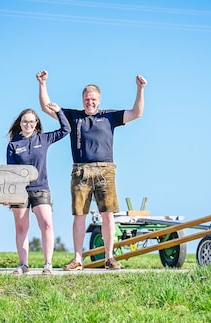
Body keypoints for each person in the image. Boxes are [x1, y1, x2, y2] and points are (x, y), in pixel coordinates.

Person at [36, 70, 147, 270]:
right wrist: (43, 84)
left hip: (106, 171)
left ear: (99, 100)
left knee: (108, 214)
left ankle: (109, 258)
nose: (90, 103)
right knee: (80, 215)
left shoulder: (110, 116)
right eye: (87, 99)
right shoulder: (73, 116)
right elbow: (46, 107)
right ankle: (78, 259)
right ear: (82, 100)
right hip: (80, 171)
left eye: (93, 99)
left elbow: (136, 113)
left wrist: (140, 89)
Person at [6, 104, 70, 275]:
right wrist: (8, 194)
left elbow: (65, 130)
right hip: (20, 192)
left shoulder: (44, 139)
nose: (28, 125)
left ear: (36, 123)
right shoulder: (13, 144)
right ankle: (23, 264)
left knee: (47, 224)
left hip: (41, 188)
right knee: (21, 227)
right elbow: (10, 172)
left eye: (32, 122)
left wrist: (58, 112)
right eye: (25, 122)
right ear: (20, 123)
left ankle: (48, 264)